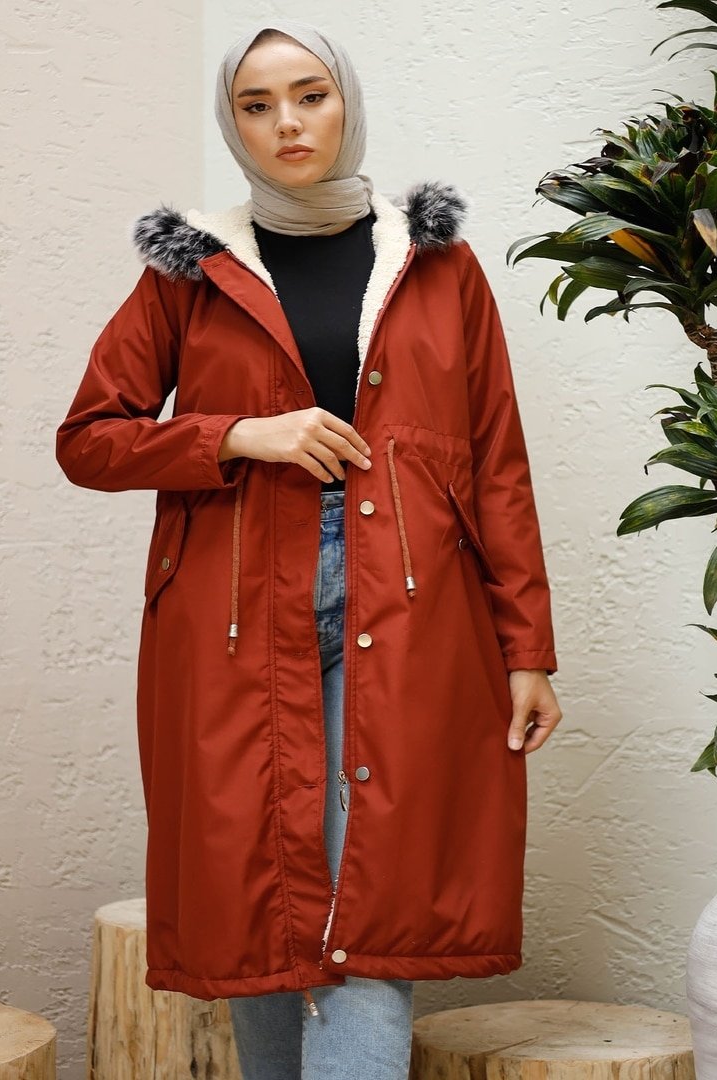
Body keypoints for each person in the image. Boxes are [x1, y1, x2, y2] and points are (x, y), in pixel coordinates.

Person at [56, 17, 563, 1080]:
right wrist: (239, 434)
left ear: (346, 104)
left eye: (309, 95)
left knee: (368, 900)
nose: (287, 122)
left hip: (413, 607)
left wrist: (527, 650)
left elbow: (496, 466)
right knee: (260, 905)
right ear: (232, 123)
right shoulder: (190, 268)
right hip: (235, 608)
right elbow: (89, 440)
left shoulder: (434, 262)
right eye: (257, 104)